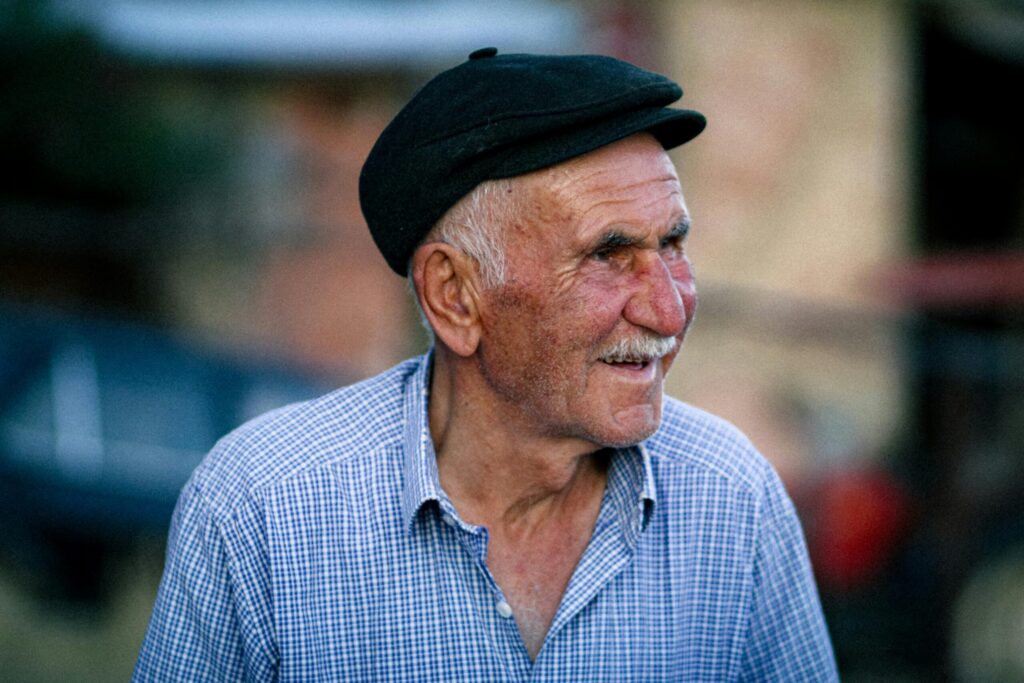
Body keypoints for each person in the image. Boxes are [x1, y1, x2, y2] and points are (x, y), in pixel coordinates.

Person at [134, 48, 838, 681]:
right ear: (456, 297)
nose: (669, 308)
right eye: (607, 254)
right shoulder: (264, 509)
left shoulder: (734, 500)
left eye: (674, 245)